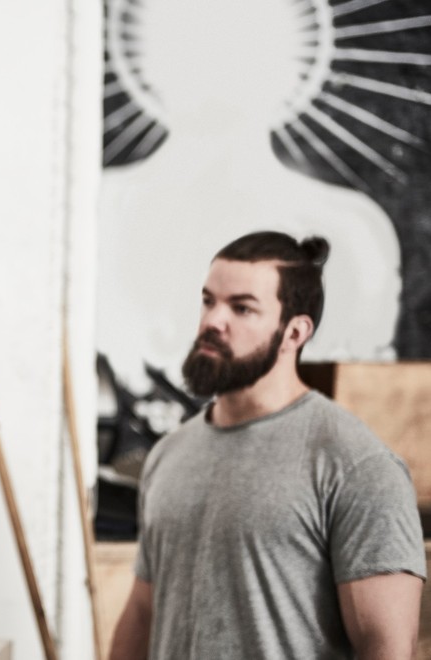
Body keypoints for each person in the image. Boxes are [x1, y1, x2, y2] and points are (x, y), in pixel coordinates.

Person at [110, 231, 426, 659]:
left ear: (294, 332)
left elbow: (387, 648)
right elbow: (144, 613)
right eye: (209, 301)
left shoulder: (355, 464)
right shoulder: (170, 455)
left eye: (242, 308)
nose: (213, 321)